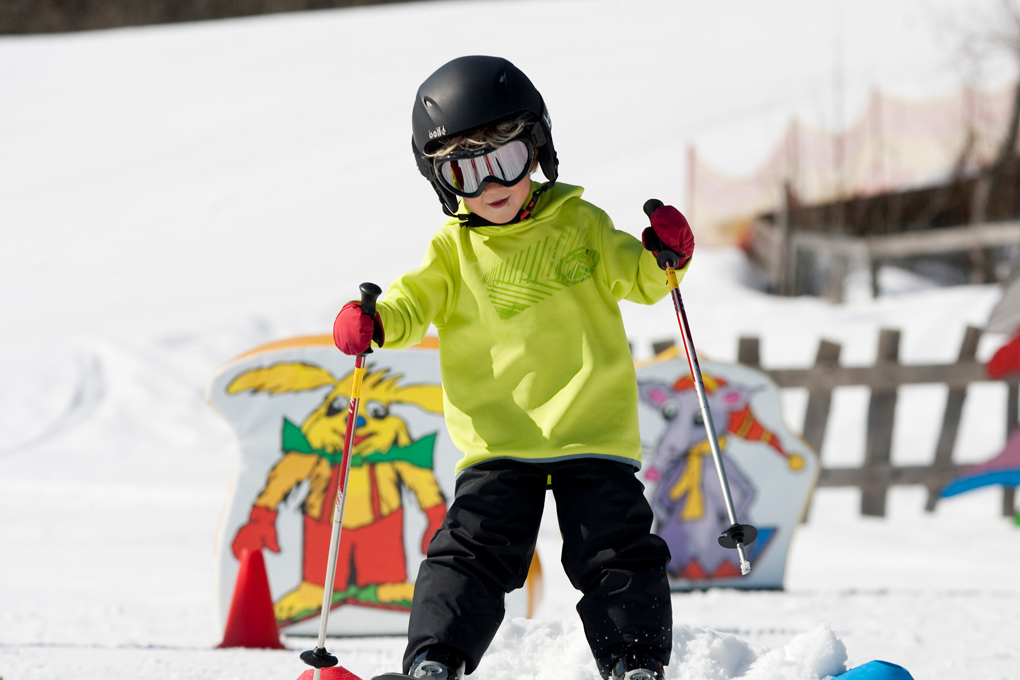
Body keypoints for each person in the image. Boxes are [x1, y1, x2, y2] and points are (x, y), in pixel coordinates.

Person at [332, 55, 695, 680]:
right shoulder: (453, 251)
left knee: (617, 549)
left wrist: (668, 254)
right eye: (466, 171)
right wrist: (375, 322)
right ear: (443, 181)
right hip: (499, 442)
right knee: (470, 553)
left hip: (591, 432)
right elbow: (410, 303)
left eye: (504, 160)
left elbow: (641, 278)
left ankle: (634, 663)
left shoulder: (581, 225)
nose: (490, 185)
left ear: (539, 149)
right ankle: (435, 661)